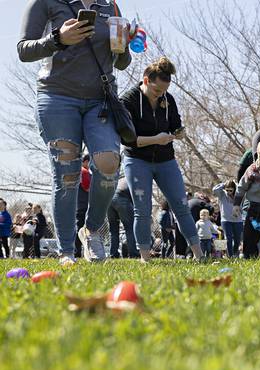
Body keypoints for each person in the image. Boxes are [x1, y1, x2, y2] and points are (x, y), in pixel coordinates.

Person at [19, 0, 132, 264]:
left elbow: (122, 63)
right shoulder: (45, 3)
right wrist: (58, 38)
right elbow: (24, 50)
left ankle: (91, 230)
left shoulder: (110, 7)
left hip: (100, 100)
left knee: (108, 164)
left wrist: (124, 44)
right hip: (57, 97)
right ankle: (66, 250)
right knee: (67, 174)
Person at [120, 57, 202, 262]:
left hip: (166, 160)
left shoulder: (168, 99)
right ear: (146, 81)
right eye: (157, 91)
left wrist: (179, 132)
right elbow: (127, 139)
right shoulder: (128, 100)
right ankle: (145, 257)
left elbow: (175, 124)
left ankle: (199, 254)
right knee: (142, 209)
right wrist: (155, 139)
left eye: (163, 91)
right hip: (137, 159)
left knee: (181, 205)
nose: (160, 95)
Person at [213, 180, 244, 258]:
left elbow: (242, 189)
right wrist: (223, 184)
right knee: (228, 238)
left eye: (231, 190)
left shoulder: (238, 195)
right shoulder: (222, 194)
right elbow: (214, 190)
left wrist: (236, 185)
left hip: (238, 220)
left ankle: (235, 252)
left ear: (234, 189)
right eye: (227, 190)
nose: (229, 192)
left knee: (237, 239)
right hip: (226, 220)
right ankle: (230, 255)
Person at [107, 178, 137, 258]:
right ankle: (133, 253)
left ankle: (113, 254)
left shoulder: (120, 179)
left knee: (113, 230)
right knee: (130, 228)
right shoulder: (134, 180)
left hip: (109, 199)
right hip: (122, 198)